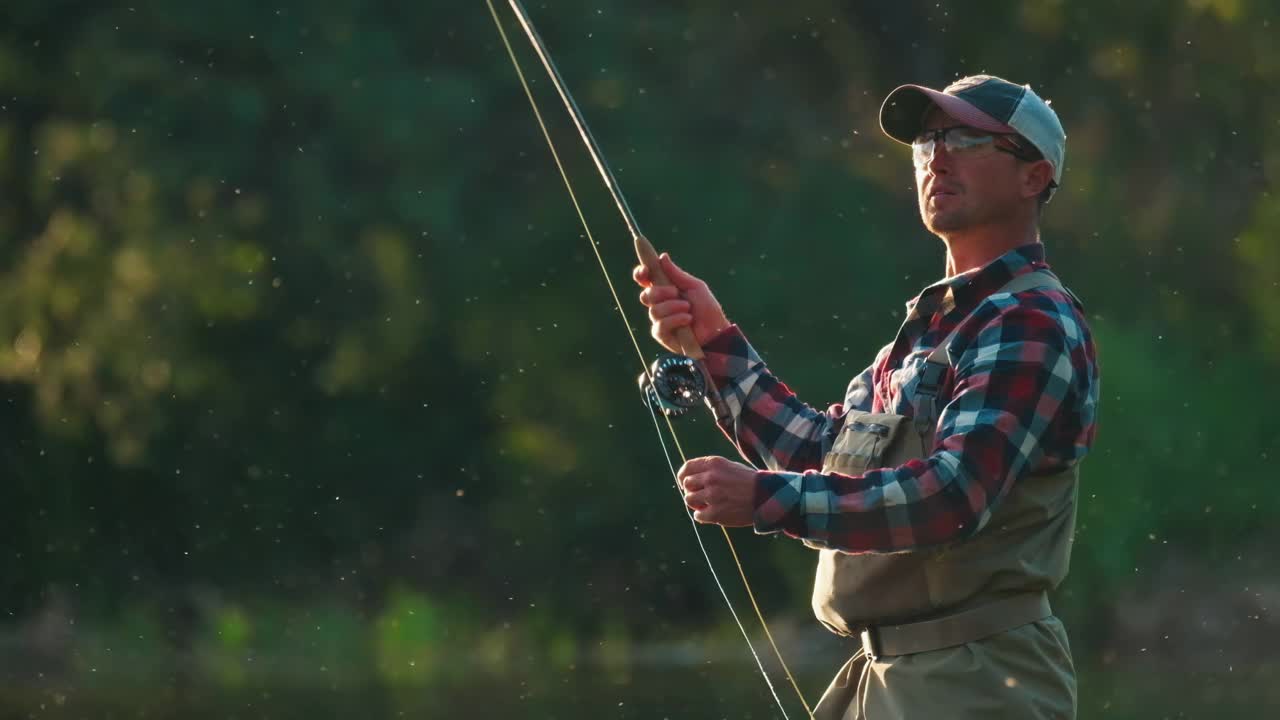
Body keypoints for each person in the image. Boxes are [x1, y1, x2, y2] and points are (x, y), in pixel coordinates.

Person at [633, 74, 1099, 719]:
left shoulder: (1030, 322)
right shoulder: (920, 337)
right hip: (883, 682)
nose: (937, 156)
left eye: (965, 139)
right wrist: (713, 341)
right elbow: (820, 454)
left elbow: (951, 495)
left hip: (980, 684)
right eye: (928, 142)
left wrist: (765, 499)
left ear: (1033, 176)